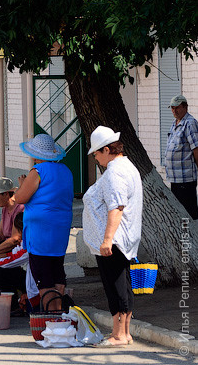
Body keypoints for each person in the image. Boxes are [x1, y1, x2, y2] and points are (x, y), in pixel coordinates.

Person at [83, 126, 143, 347]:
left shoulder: (115, 173)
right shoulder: (126, 167)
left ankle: (119, 334)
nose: (96, 158)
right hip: (122, 238)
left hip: (114, 240)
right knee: (123, 284)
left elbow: (116, 207)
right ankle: (124, 333)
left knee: (115, 285)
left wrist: (107, 239)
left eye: (97, 153)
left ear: (107, 150)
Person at [14, 133, 73, 311]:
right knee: (57, 272)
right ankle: (59, 314)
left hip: (40, 231)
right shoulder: (65, 171)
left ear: (34, 154)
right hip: (60, 229)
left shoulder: (37, 172)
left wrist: (22, 184)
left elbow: (20, 198)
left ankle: (51, 315)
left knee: (43, 274)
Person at [164, 95, 198, 219]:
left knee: (188, 213)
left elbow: (196, 148)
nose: (174, 111)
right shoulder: (175, 123)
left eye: (177, 108)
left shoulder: (190, 123)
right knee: (178, 213)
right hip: (175, 178)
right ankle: (183, 237)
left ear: (185, 107)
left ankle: (191, 237)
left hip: (185, 178)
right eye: (172, 108)